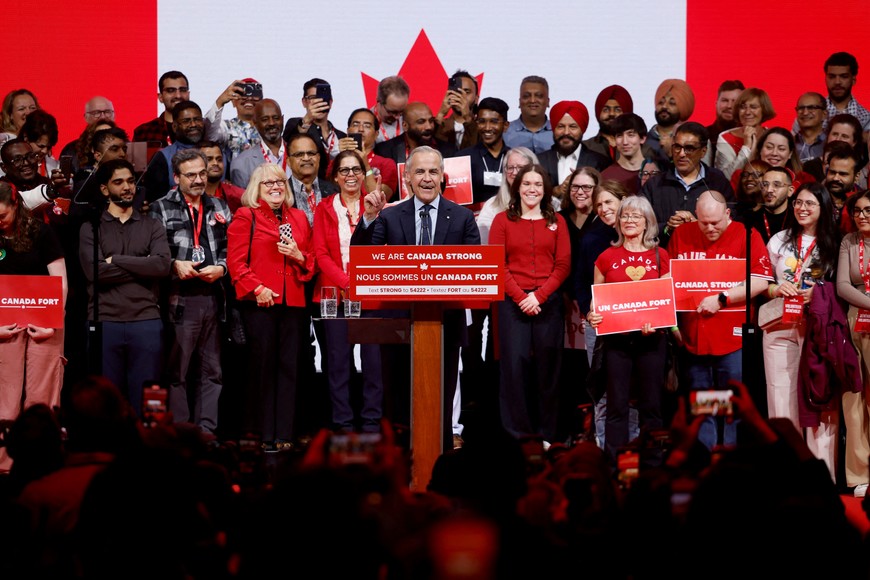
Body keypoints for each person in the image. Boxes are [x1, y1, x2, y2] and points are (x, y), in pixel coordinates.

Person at [351, 146, 480, 450]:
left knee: (441, 401)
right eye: (419, 172)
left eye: (433, 171)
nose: (426, 178)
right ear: (407, 177)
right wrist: (369, 218)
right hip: (397, 326)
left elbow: (474, 270)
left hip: (445, 325)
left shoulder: (462, 217)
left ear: (442, 177)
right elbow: (363, 258)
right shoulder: (390, 216)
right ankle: (400, 465)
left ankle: (441, 466)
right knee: (398, 405)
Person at [667, 190, 773, 450]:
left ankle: (730, 460)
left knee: (733, 402)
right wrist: (672, 326)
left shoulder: (746, 235)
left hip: (732, 337)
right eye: (704, 223)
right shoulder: (682, 235)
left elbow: (761, 280)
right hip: (693, 337)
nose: (710, 228)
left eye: (716, 222)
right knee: (702, 402)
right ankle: (707, 459)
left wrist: (723, 298)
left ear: (728, 214)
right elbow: (666, 283)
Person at [227, 163, 314, 451]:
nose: (276, 187)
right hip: (261, 302)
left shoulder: (299, 217)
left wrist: (299, 256)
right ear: (257, 188)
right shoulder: (246, 215)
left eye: (280, 182)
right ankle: (263, 433)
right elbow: (236, 263)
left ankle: (284, 434)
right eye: (269, 184)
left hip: (294, 303)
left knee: (291, 367)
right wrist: (257, 287)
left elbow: (311, 261)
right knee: (263, 367)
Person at [78, 159, 171, 416]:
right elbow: (95, 272)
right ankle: (110, 452)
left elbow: (162, 266)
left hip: (146, 320)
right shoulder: (91, 228)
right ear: (105, 189)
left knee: (152, 396)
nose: (128, 187)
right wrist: (142, 265)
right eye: (119, 182)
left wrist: (116, 260)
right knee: (105, 400)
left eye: (131, 181)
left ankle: (152, 447)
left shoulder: (152, 225)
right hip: (104, 320)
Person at [763, 182, 842, 481]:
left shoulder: (836, 242)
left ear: (823, 208)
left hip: (818, 328)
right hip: (779, 326)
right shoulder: (778, 241)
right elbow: (762, 282)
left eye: (810, 203)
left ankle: (822, 478)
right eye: (797, 202)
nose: (802, 208)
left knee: (820, 400)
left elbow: (844, 285)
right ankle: (786, 477)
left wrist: (821, 292)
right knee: (780, 398)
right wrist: (774, 288)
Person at [150, 149, 231, 437]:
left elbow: (229, 252)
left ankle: (207, 432)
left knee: (213, 371)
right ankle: (182, 433)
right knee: (178, 372)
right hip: (179, 298)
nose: (199, 180)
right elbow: (154, 253)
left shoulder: (219, 206)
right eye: (191, 175)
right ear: (176, 177)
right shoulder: (160, 207)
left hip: (213, 297)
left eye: (202, 173)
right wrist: (174, 265)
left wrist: (222, 268)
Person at [489, 164, 570, 444]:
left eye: (537, 184)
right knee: (514, 367)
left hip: (547, 301)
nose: (532, 189)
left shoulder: (557, 221)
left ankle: (547, 435)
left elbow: (562, 265)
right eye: (526, 184)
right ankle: (518, 437)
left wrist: (539, 296)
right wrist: (523, 298)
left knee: (549, 368)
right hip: (513, 303)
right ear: (517, 188)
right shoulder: (502, 221)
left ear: (545, 189)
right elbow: (498, 265)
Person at [587, 195, 669, 469]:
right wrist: (593, 315)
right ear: (618, 222)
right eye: (625, 216)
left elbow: (666, 304)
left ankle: (652, 465)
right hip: (616, 343)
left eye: (636, 216)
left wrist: (656, 323)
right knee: (617, 406)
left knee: (651, 407)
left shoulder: (661, 256)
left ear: (647, 223)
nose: (630, 221)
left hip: (651, 341)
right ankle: (617, 465)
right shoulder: (606, 257)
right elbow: (595, 303)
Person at [313, 150, 384, 433]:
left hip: (372, 298)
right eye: (344, 170)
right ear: (335, 176)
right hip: (336, 296)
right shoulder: (324, 208)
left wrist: (362, 284)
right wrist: (347, 283)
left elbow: (384, 250)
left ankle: (372, 422)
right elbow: (320, 254)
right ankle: (342, 423)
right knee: (338, 364)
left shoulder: (379, 206)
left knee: (374, 364)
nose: (351, 175)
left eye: (356, 169)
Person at [0, 181, 67, 472]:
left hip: (46, 321)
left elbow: (61, 280)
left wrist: (53, 321)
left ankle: (41, 462)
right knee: (4, 394)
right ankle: (4, 464)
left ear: (16, 206)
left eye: (2, 216)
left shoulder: (41, 231)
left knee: (43, 392)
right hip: (4, 323)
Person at [575, 181, 633, 451]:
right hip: (599, 324)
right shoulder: (590, 238)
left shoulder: (643, 236)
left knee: (633, 390)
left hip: (636, 325)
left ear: (624, 200)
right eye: (599, 204)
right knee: (602, 389)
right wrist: (589, 311)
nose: (604, 208)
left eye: (609, 201)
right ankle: (602, 446)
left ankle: (634, 445)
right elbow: (580, 283)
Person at [642, 122, 734, 247]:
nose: (681, 154)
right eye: (677, 147)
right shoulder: (655, 184)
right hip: (664, 257)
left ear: (703, 151)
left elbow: (733, 223)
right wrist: (666, 228)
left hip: (705, 258)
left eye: (689, 148)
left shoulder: (717, 182)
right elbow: (639, 223)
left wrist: (700, 226)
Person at [835, 189, 870, 498]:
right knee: (853, 396)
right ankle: (859, 474)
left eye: (868, 210)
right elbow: (843, 285)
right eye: (857, 210)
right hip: (854, 320)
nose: (861, 215)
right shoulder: (849, 241)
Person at [538, 100, 609, 200]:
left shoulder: (600, 162)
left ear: (582, 129)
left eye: (573, 127)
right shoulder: (539, 161)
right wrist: (556, 191)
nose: (566, 132)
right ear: (553, 129)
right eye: (561, 126)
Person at [283, 78, 347, 180]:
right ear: (304, 102)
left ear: (330, 102)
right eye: (313, 97)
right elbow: (289, 142)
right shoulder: (295, 124)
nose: (319, 102)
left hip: (334, 189)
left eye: (322, 98)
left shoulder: (341, 136)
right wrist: (307, 119)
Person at [455, 97, 511, 207]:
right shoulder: (462, 159)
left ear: (505, 126)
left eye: (494, 122)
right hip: (472, 221)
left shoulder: (516, 159)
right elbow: (456, 203)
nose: (487, 128)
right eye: (482, 121)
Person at [477, 147, 539, 245]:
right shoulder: (491, 205)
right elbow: (484, 244)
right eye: (510, 168)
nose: (514, 173)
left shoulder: (551, 202)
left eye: (521, 168)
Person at [715, 88, 775, 182]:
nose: (747, 112)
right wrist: (746, 147)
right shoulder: (726, 138)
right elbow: (725, 178)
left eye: (753, 107)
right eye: (743, 107)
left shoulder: (773, 136)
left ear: (764, 110)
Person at [230, 98, 286, 189]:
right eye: (265, 119)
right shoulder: (241, 164)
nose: (271, 123)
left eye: (276, 118)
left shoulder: (299, 153)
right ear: (255, 123)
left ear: (282, 119)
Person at [133, 70, 190, 145]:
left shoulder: (203, 127)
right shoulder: (143, 131)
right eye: (171, 90)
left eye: (182, 90)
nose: (178, 95)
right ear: (160, 97)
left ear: (188, 94)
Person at [647, 78, 695, 164]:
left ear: (683, 107)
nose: (664, 106)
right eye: (661, 102)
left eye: (672, 103)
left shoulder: (696, 139)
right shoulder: (643, 139)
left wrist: (672, 154)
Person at [503, 76, 553, 153]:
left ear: (548, 102)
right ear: (519, 102)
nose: (532, 100)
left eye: (539, 96)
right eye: (526, 96)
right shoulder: (504, 132)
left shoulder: (559, 131)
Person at [601, 113, 648, 194]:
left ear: (642, 138)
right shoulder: (605, 177)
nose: (625, 142)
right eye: (619, 136)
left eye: (631, 135)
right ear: (614, 140)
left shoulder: (656, 172)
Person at [706, 80, 745, 166]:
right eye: (725, 100)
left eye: (735, 101)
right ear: (716, 103)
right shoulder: (703, 135)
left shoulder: (751, 138)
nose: (729, 106)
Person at [371, 75, 410, 144]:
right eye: (392, 112)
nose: (397, 117)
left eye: (401, 111)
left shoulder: (410, 119)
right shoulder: (365, 124)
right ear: (378, 101)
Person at [793, 92, 828, 163]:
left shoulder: (831, 142)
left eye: (811, 108)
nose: (805, 113)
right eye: (801, 108)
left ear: (824, 114)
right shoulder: (790, 144)